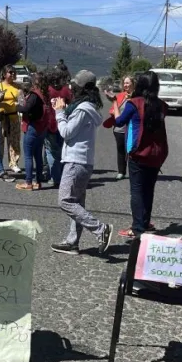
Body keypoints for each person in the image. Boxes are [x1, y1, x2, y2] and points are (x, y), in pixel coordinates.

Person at [51, 70, 112, 255]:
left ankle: (100, 229)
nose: (71, 88)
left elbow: (67, 132)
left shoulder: (83, 109)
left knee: (65, 201)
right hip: (83, 161)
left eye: (75, 85)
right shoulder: (86, 107)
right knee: (76, 202)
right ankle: (72, 242)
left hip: (76, 161)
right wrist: (63, 110)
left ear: (82, 88)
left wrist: (60, 113)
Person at [104, 72, 168, 239]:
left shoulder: (134, 104)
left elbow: (119, 122)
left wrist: (114, 102)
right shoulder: (161, 105)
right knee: (149, 190)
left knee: (137, 191)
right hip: (156, 154)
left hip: (138, 153)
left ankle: (137, 227)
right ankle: (145, 222)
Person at [15, 73, 52, 191]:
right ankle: (38, 181)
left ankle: (28, 182)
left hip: (33, 127)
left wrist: (17, 106)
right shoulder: (46, 94)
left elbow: (26, 108)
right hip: (43, 127)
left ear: (35, 82)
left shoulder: (34, 95)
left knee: (28, 156)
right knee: (38, 155)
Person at [0, 66, 22, 174]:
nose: (13, 74)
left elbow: (22, 102)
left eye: (14, 72)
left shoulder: (18, 87)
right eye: (10, 72)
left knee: (14, 142)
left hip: (13, 117)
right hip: (0, 117)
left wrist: (19, 104)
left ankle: (14, 163)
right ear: (4, 74)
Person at [43, 68, 67, 188]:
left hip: (50, 123)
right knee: (61, 150)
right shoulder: (65, 90)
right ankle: (61, 175)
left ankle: (54, 178)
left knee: (51, 151)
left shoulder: (47, 90)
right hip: (62, 123)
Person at [109, 75, 133, 181]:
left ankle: (134, 172)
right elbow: (112, 109)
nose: (125, 85)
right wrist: (113, 112)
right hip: (119, 128)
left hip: (132, 127)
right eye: (124, 83)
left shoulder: (137, 96)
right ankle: (121, 172)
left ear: (133, 83)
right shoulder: (120, 96)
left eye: (128, 83)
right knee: (121, 150)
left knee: (132, 150)